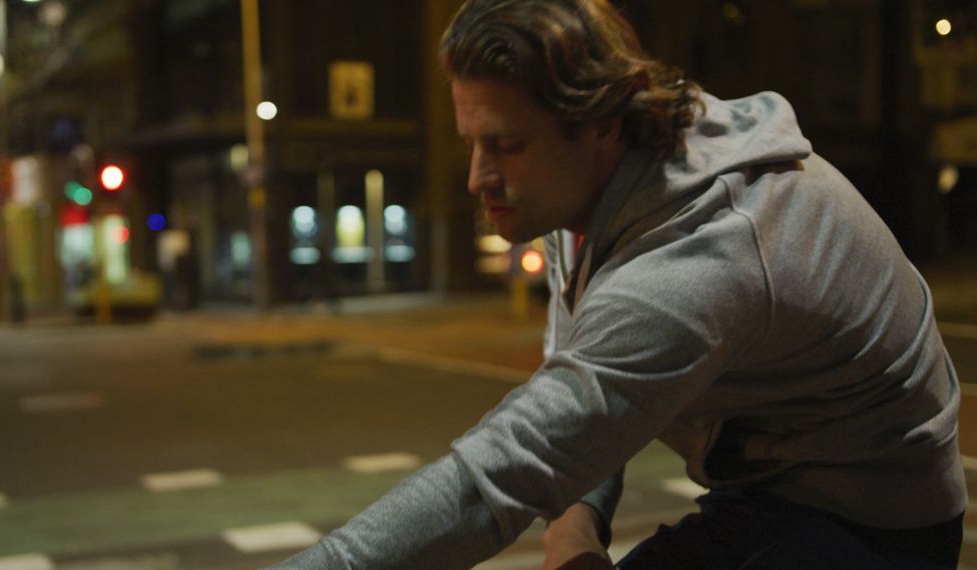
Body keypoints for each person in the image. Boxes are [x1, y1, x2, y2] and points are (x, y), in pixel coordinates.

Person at [270, 0, 967, 568]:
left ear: (603, 124)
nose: (478, 178)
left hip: (869, 525)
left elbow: (503, 475)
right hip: (769, 486)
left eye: (506, 145)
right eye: (470, 142)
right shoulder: (587, 192)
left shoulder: (700, 260)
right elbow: (579, 389)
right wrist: (574, 529)